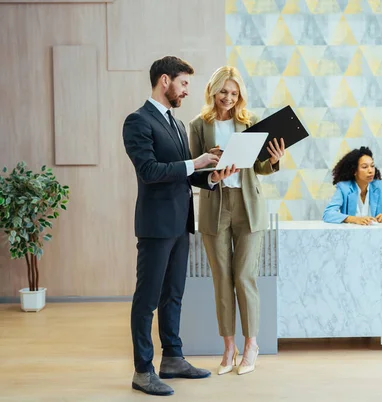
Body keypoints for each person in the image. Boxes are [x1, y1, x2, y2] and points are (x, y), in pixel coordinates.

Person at [123, 56, 238, 396]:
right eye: (184, 83)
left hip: (180, 222)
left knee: (173, 295)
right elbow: (150, 171)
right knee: (148, 299)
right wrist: (197, 160)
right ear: (164, 81)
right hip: (156, 226)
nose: (187, 91)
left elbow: (182, 172)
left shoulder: (176, 123)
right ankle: (143, 370)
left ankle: (172, 357)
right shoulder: (137, 122)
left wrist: (212, 177)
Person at [189, 66, 285, 376]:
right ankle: (228, 347)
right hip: (215, 205)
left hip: (248, 205)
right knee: (222, 280)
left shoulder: (251, 123)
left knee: (244, 277)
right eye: (223, 92)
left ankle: (251, 345)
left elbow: (258, 168)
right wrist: (213, 175)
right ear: (212, 91)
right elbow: (195, 172)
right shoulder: (198, 126)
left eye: (234, 93)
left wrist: (273, 160)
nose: (229, 98)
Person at [322, 146, 382, 225]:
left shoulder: (379, 187)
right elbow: (328, 214)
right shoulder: (344, 188)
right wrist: (354, 219)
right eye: (365, 167)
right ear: (354, 171)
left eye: (372, 166)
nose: (370, 170)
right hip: (350, 236)